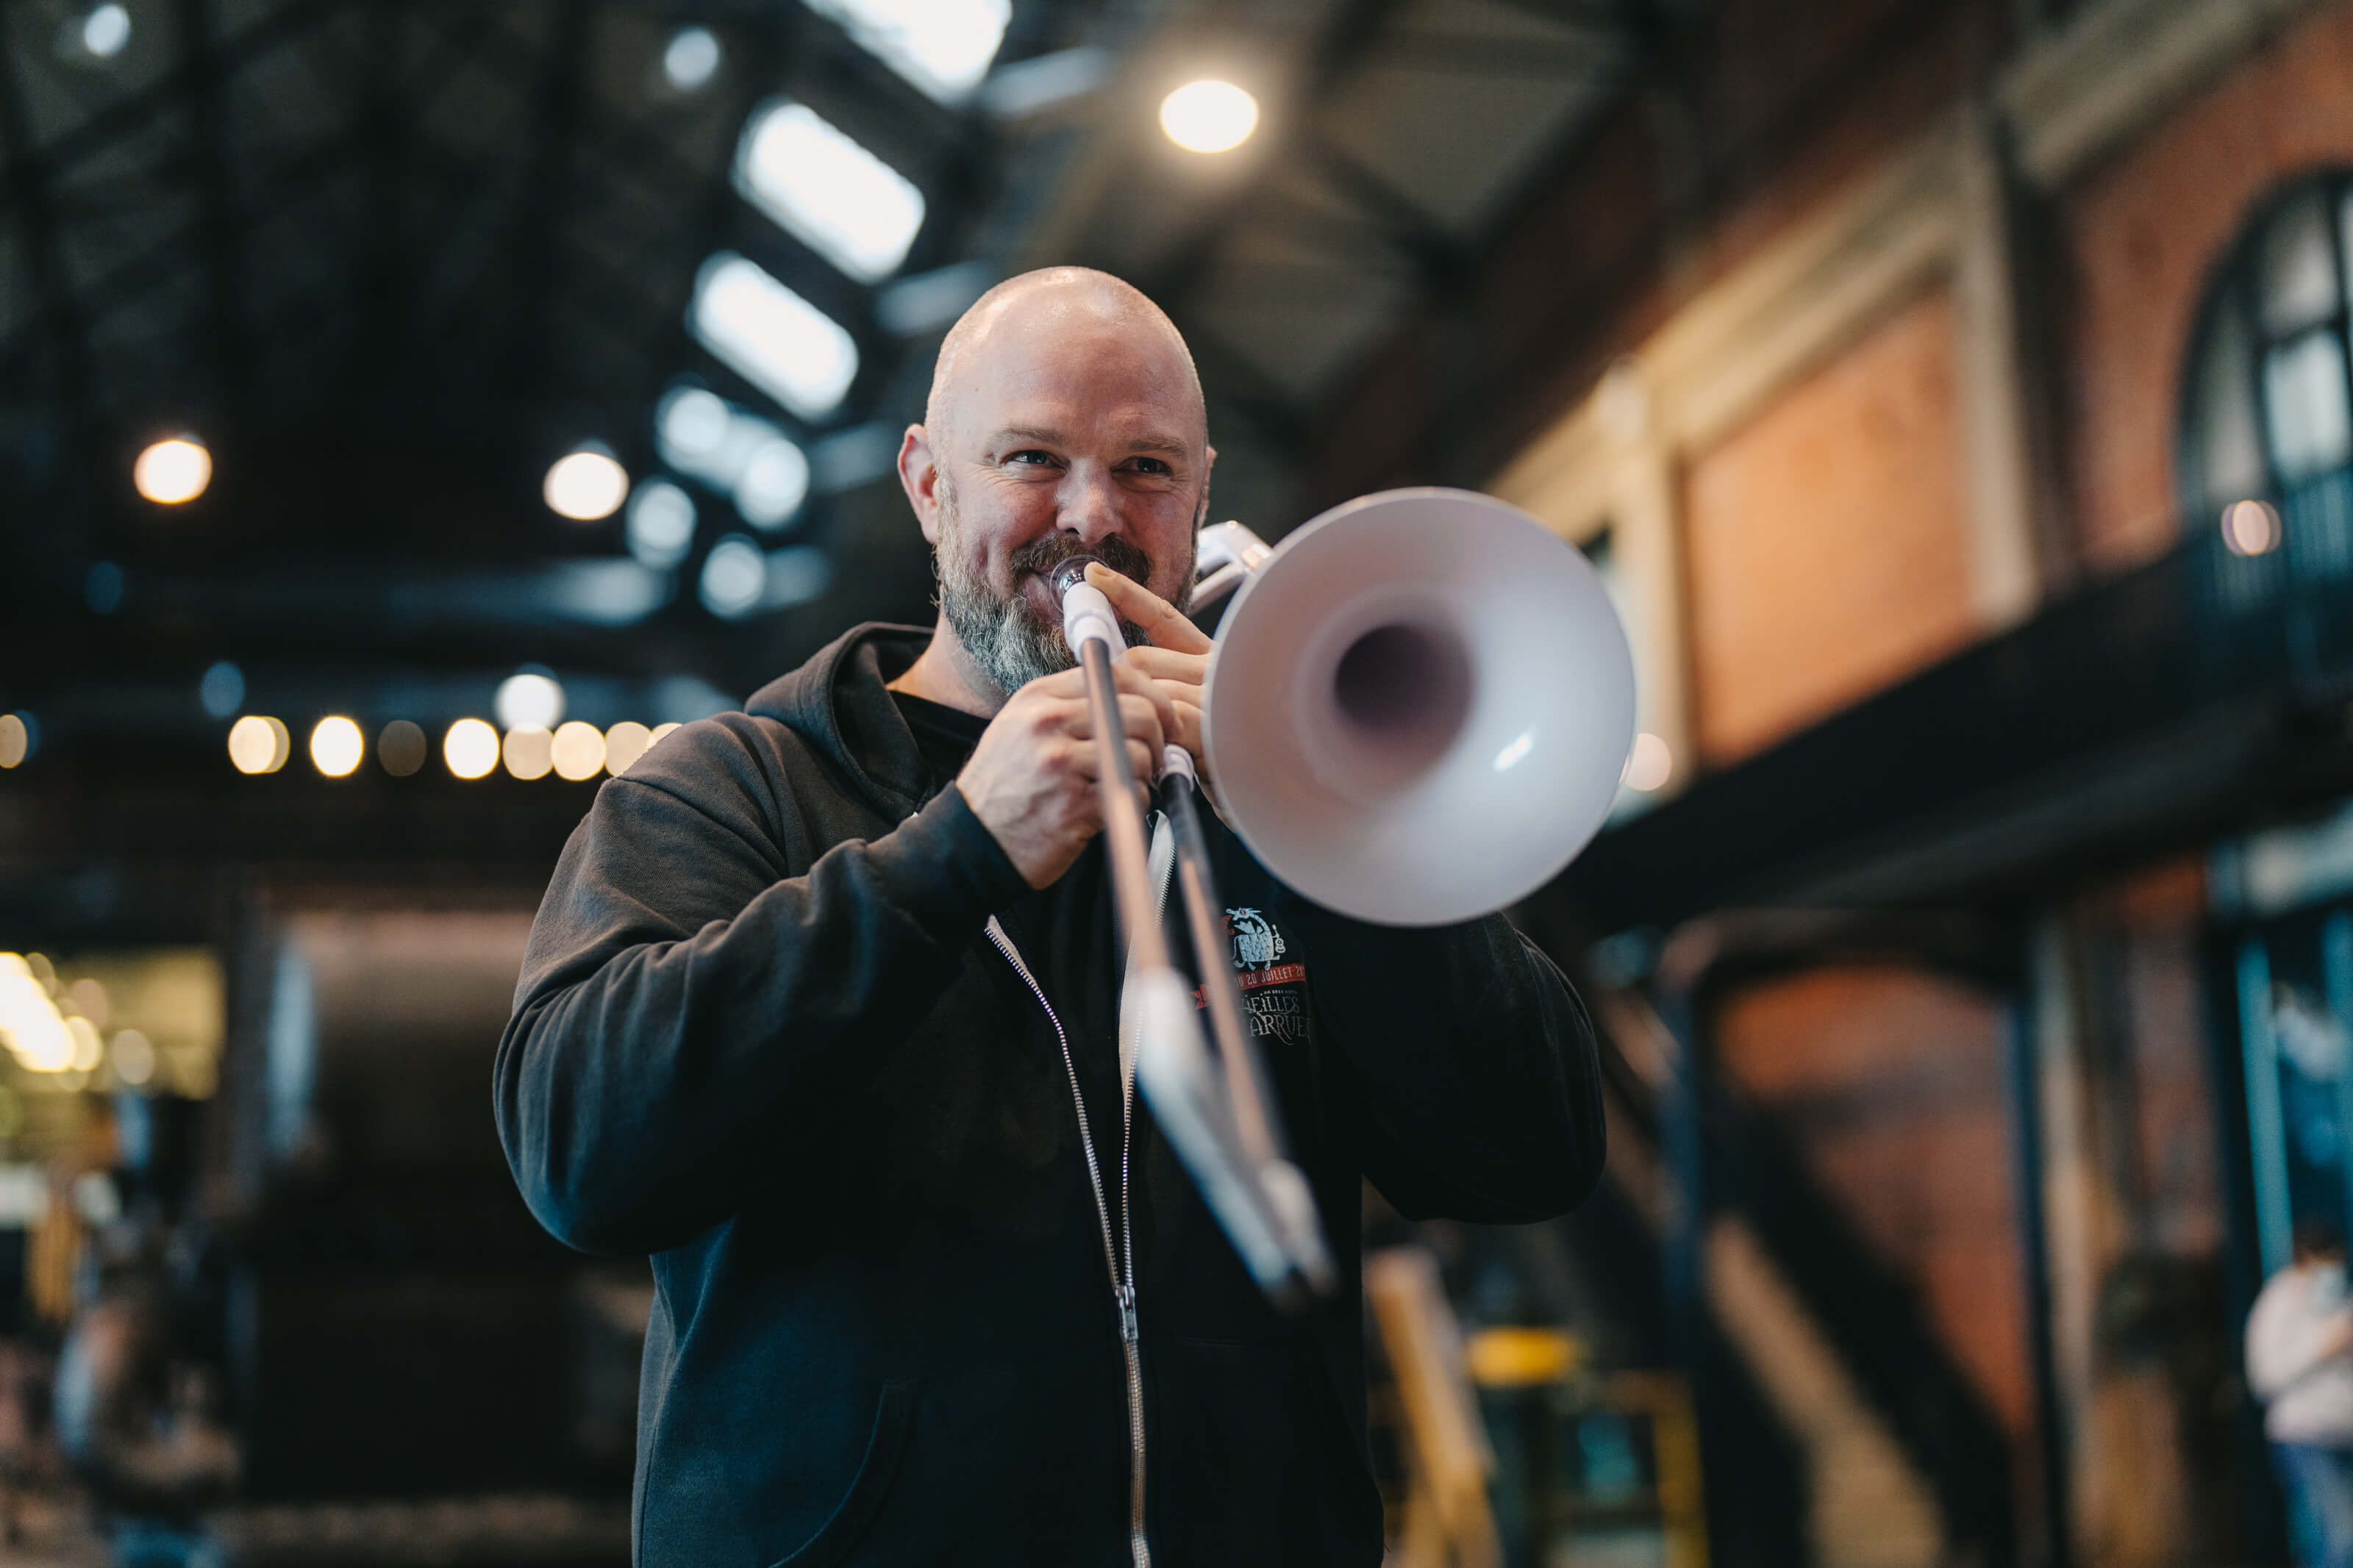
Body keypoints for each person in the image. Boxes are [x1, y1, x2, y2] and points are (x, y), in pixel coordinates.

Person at [494, 267, 1604, 1567]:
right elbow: (579, 1147)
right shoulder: (737, 786)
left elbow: (1534, 1148)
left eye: (1147, 467)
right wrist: (953, 856)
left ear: (1201, 494)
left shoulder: (1277, 804)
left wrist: (1320, 821)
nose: (1093, 517)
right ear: (927, 479)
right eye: (1032, 456)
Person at [2249, 1220, 2353, 1568]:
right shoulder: (2279, 1301)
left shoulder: (2343, 1301)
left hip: (2343, 1434)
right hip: (2305, 1437)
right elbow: (2265, 1376)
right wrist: (2324, 1344)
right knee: (2337, 1537)